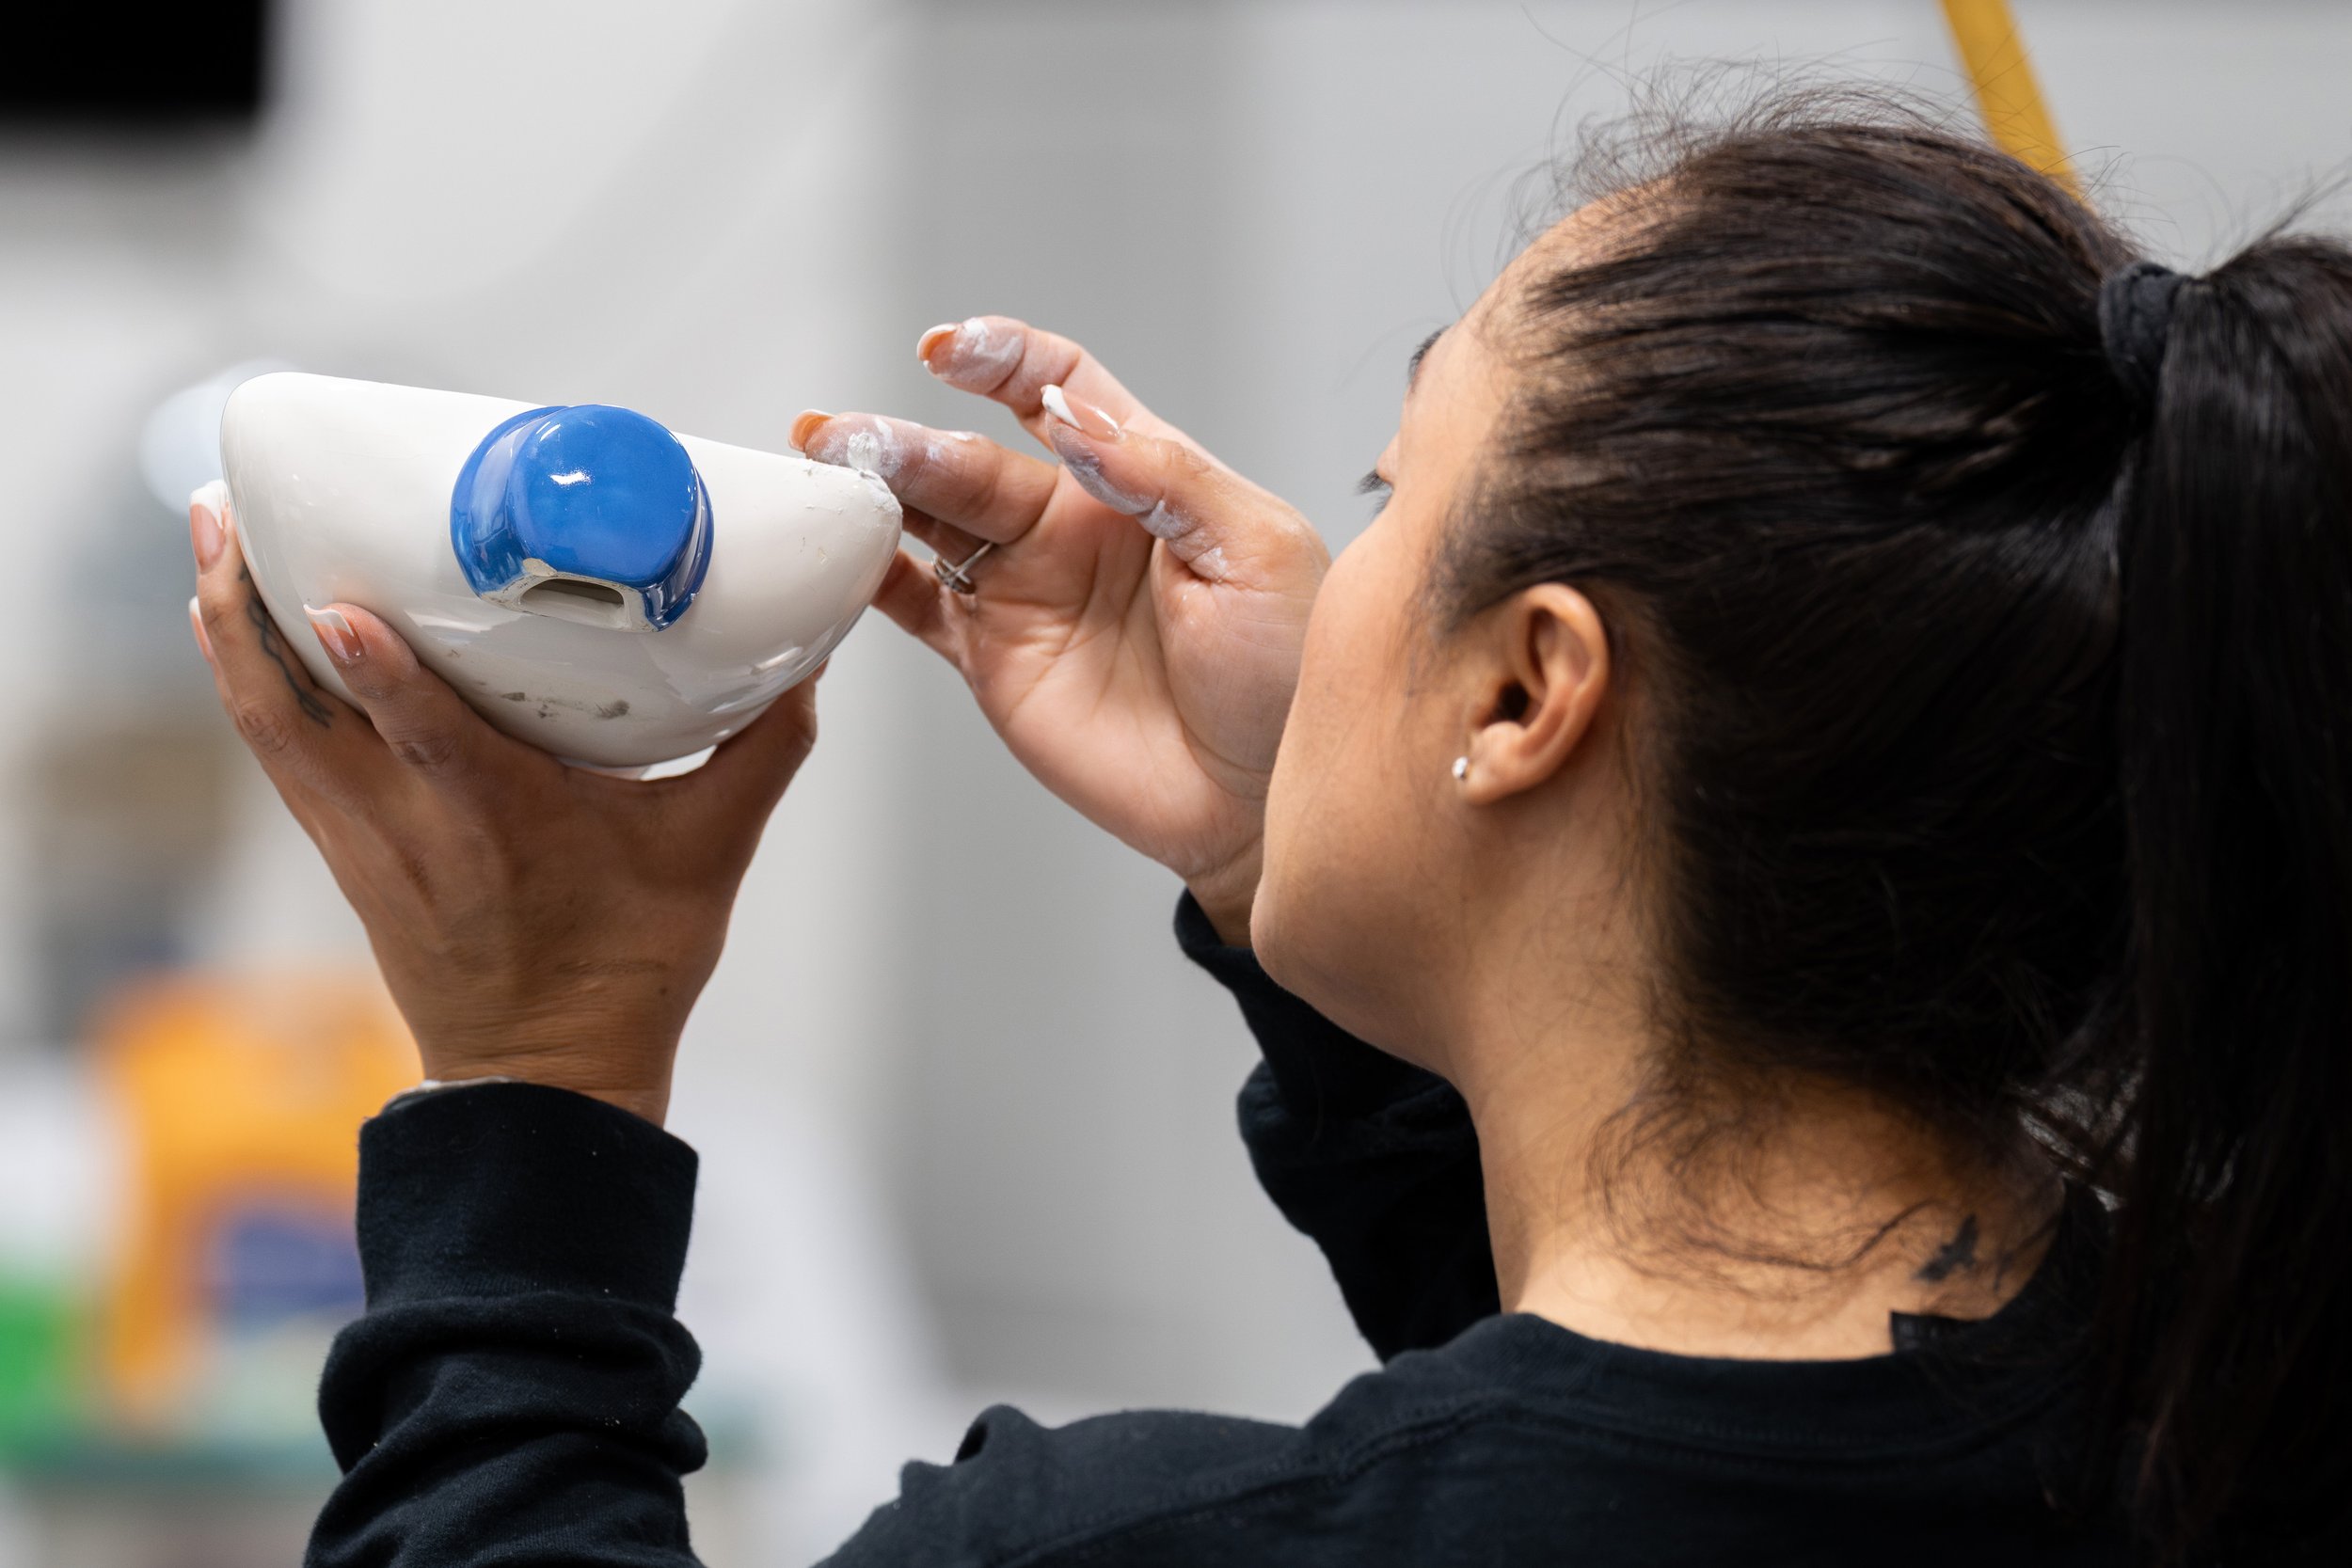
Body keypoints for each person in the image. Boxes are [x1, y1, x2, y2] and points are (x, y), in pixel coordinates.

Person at [186, 98, 2352, 1566]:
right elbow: (1634, 1462)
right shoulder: (2209, 1397)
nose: (1332, 568)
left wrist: (539, 1084)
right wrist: (1281, 847)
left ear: (1525, 691)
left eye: (1394, 490)